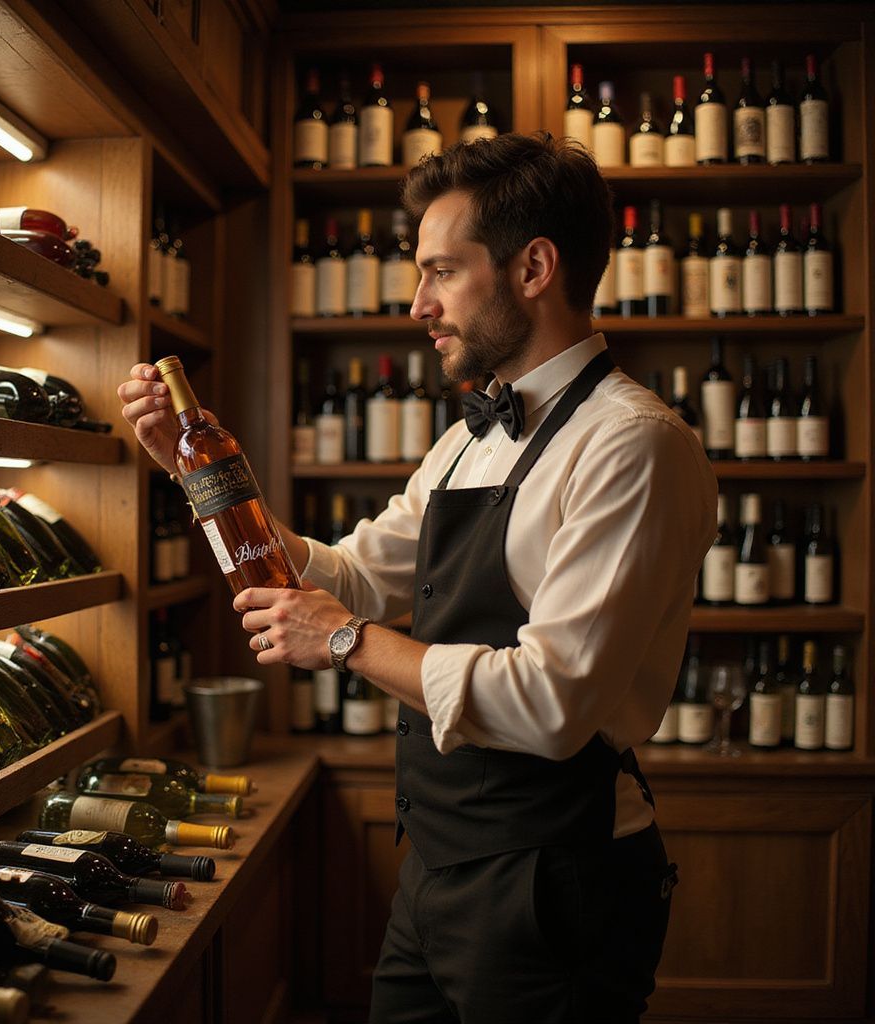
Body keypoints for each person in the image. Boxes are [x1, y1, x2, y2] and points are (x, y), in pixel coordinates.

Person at [119, 131, 717, 1023]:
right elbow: (350, 577)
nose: (417, 303)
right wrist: (197, 477)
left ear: (534, 268)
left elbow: (553, 705)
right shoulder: (467, 437)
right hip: (438, 868)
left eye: (441, 271)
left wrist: (350, 644)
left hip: (556, 885)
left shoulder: (633, 444)